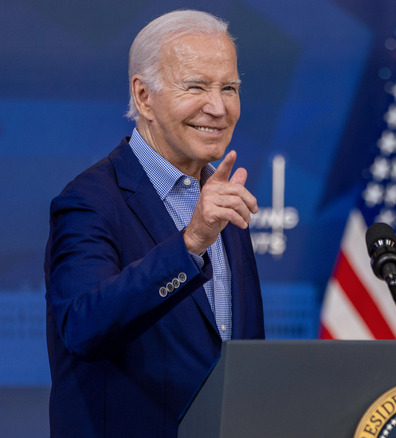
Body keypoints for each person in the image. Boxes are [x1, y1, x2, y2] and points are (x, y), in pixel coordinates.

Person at [44, 10, 265, 438]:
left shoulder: (220, 193)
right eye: (196, 87)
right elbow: (83, 328)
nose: (218, 107)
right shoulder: (88, 201)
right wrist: (191, 243)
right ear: (144, 97)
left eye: (229, 88)